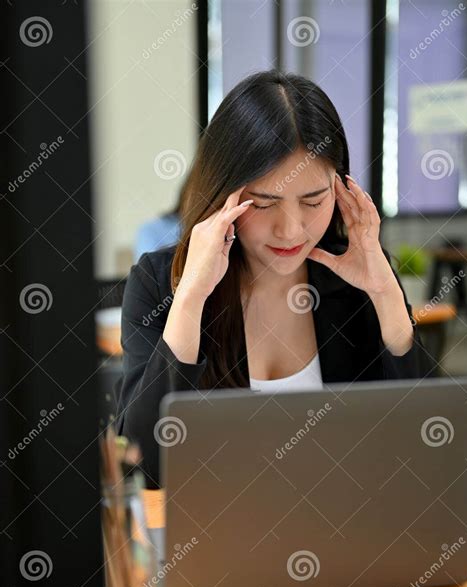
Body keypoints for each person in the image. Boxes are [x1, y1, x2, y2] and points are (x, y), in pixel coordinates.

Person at [115, 69, 432, 489]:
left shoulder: (359, 278)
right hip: (218, 538)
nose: (291, 230)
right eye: (264, 203)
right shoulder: (159, 283)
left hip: (351, 529)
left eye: (313, 200)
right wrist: (191, 298)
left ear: (340, 191)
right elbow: (147, 468)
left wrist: (386, 296)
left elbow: (427, 444)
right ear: (222, 194)